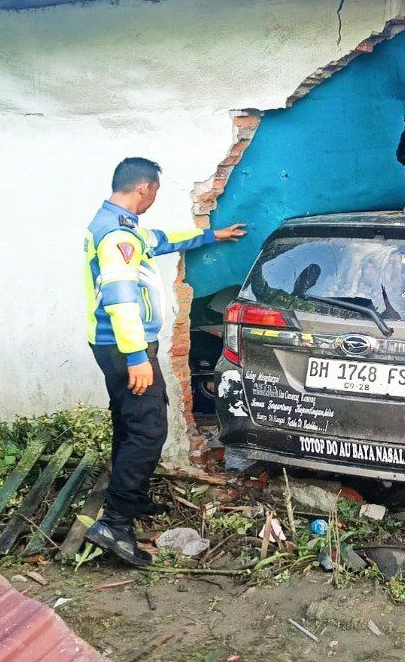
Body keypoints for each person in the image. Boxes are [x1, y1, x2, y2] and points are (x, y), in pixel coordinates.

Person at [83, 157, 245, 566]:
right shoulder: (116, 236)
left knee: (129, 420)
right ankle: (115, 523)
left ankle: (129, 501)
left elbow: (161, 240)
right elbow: (120, 297)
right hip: (126, 348)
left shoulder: (119, 226)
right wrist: (138, 357)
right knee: (149, 428)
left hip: (116, 346)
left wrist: (211, 235)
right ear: (145, 188)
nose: (155, 197)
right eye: (156, 190)